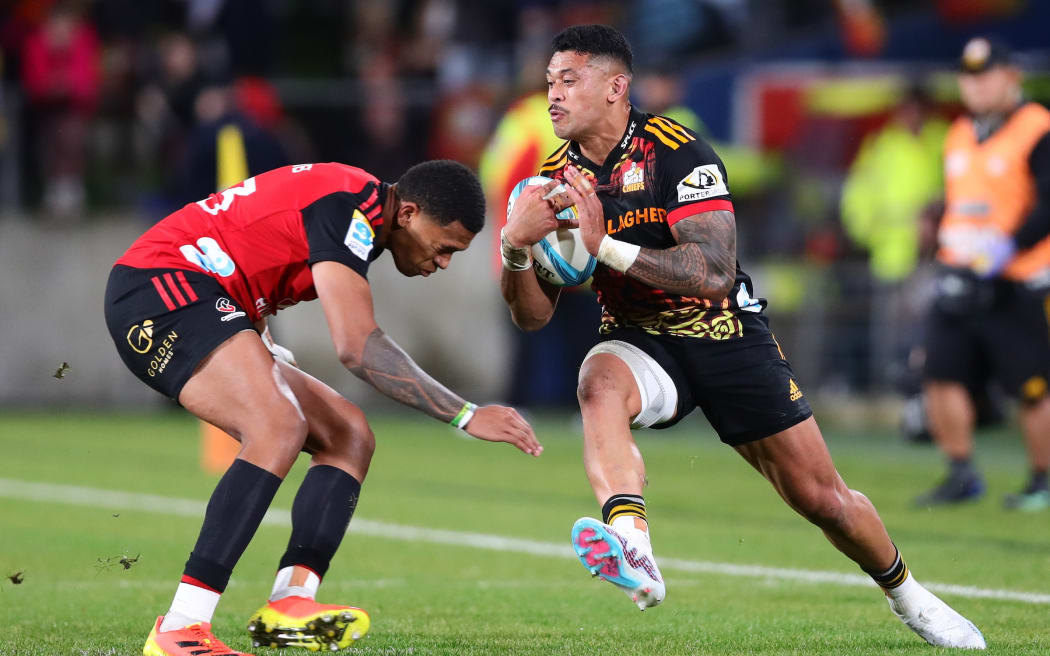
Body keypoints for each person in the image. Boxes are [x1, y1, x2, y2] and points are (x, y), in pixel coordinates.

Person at [499, 24, 984, 649]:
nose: (553, 95)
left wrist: (605, 248)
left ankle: (911, 597)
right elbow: (533, 317)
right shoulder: (552, 182)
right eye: (549, 83)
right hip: (641, 340)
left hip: (724, 331)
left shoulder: (679, 152)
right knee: (596, 383)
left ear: (616, 86)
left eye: (569, 79)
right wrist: (515, 250)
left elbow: (712, 273)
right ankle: (633, 545)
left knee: (823, 499)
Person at [104, 160, 541, 656]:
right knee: (278, 425)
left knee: (349, 433)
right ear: (410, 213)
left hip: (209, 300)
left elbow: (247, 242)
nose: (442, 263)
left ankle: (289, 605)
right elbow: (357, 345)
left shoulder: (360, 212)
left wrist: (256, 334)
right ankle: (181, 627)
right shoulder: (348, 206)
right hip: (159, 290)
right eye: (444, 247)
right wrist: (464, 413)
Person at [915, 36, 1050, 511]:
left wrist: (1009, 245)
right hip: (959, 273)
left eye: (985, 74)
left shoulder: (1038, 128)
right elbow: (962, 199)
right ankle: (961, 473)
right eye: (968, 77)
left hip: (1017, 278)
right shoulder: (959, 132)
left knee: (1032, 386)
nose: (974, 86)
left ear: (1011, 76)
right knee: (940, 372)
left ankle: (1043, 479)